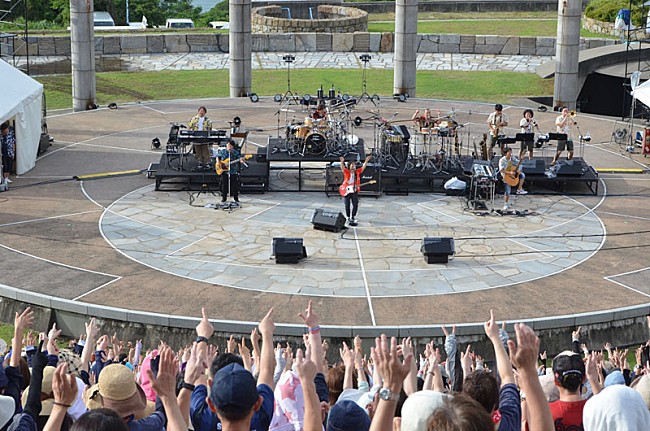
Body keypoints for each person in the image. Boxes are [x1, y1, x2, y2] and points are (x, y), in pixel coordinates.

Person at [339, 155, 372, 226]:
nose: (354, 166)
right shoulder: (347, 172)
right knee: (347, 204)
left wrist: (366, 161)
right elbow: (342, 168)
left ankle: (353, 216)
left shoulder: (357, 172)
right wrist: (342, 162)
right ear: (349, 166)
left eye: (354, 165)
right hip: (347, 190)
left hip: (354, 190)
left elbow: (363, 168)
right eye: (352, 165)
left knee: (355, 204)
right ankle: (348, 216)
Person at [498, 146, 527, 211]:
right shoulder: (502, 160)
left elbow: (517, 163)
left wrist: (521, 159)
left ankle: (519, 189)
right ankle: (505, 204)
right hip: (506, 176)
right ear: (506, 153)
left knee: (522, 175)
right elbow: (501, 170)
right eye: (509, 152)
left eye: (511, 152)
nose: (511, 153)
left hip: (512, 172)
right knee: (508, 191)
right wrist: (509, 173)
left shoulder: (512, 158)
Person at [217, 140, 245, 205]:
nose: (229, 146)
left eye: (230, 145)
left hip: (232, 171)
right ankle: (224, 198)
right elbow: (218, 157)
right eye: (228, 145)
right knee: (224, 185)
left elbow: (239, 158)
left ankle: (236, 198)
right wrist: (218, 162)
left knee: (234, 185)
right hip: (224, 171)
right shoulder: (223, 151)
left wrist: (241, 160)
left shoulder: (235, 152)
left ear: (232, 146)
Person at [187, 106, 213, 170]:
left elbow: (210, 128)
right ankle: (200, 162)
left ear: (205, 112)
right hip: (196, 136)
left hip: (204, 136)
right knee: (198, 150)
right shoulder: (194, 119)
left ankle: (206, 162)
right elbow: (190, 126)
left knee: (205, 149)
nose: (201, 112)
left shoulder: (208, 120)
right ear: (198, 111)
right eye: (200, 111)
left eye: (203, 111)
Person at [1, 122, 16, 187]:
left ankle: (7, 177)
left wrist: (13, 151)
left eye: (7, 129)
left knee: (10, 164)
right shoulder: (1, 135)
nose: (7, 130)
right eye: (5, 129)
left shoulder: (10, 134)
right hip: (3, 152)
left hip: (10, 151)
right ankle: (5, 178)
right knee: (5, 165)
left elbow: (13, 142)